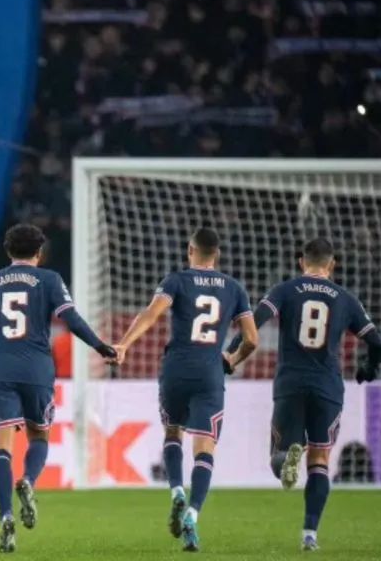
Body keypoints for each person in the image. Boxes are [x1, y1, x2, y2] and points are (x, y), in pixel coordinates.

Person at [0, 223, 116, 553]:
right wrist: (101, 346)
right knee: (38, 437)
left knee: (1, 449)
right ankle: (28, 481)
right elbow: (71, 319)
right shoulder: (49, 280)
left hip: (2, 372)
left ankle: (5, 516)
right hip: (37, 372)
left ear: (8, 251)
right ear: (39, 253)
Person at [225, 238, 381, 551]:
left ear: (301, 262)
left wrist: (229, 356)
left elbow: (252, 324)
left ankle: (286, 457)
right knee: (320, 458)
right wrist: (368, 368)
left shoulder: (285, 290)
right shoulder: (346, 298)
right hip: (327, 387)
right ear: (332, 264)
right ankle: (309, 533)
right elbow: (377, 343)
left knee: (278, 455)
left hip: (290, 384)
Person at [114, 228, 258, 552]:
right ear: (216, 254)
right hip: (209, 373)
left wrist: (123, 345)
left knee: (173, 432)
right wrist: (233, 359)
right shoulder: (234, 288)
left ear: (190, 250)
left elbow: (151, 314)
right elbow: (251, 339)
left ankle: (176, 491)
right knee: (204, 448)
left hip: (176, 369)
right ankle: (192, 514)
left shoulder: (176, 280)